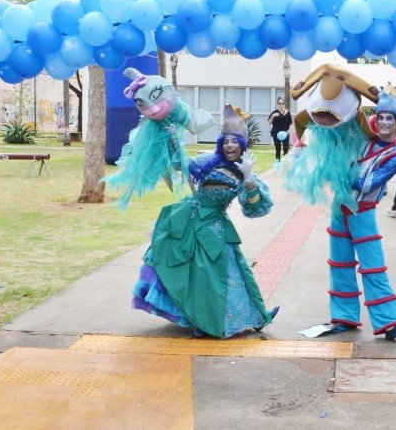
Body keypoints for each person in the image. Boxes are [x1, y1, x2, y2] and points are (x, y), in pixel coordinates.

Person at [285, 64, 396, 340]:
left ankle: (389, 321)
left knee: (372, 267)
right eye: (381, 117)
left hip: (362, 213)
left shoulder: (395, 157)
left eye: (390, 119)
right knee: (339, 263)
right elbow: (334, 122)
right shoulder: (366, 141)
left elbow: (364, 183)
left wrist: (338, 168)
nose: (385, 122)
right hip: (340, 208)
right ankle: (344, 317)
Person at [131, 105, 278, 338]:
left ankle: (255, 315)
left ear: (242, 144)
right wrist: (172, 140)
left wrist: (249, 179)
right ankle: (197, 318)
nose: (230, 145)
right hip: (187, 220)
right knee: (185, 271)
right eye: (226, 141)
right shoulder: (208, 160)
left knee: (228, 275)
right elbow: (181, 164)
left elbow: (255, 209)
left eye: (235, 141)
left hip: (214, 229)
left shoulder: (244, 171)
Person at [104, 67, 217, 210]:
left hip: (192, 161)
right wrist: (169, 139)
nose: (152, 109)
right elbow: (173, 162)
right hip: (171, 150)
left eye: (155, 96)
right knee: (178, 164)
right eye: (141, 103)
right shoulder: (150, 128)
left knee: (191, 165)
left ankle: (208, 171)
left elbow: (195, 123)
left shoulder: (180, 112)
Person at [267, 97, 293, 161]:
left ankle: (285, 164)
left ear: (284, 104)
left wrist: (289, 130)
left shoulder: (287, 113)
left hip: (285, 134)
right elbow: (269, 123)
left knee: (286, 150)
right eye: (279, 103)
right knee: (278, 149)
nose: (281, 104)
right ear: (277, 104)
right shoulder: (274, 112)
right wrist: (273, 116)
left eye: (282, 103)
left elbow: (290, 124)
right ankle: (278, 165)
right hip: (276, 133)